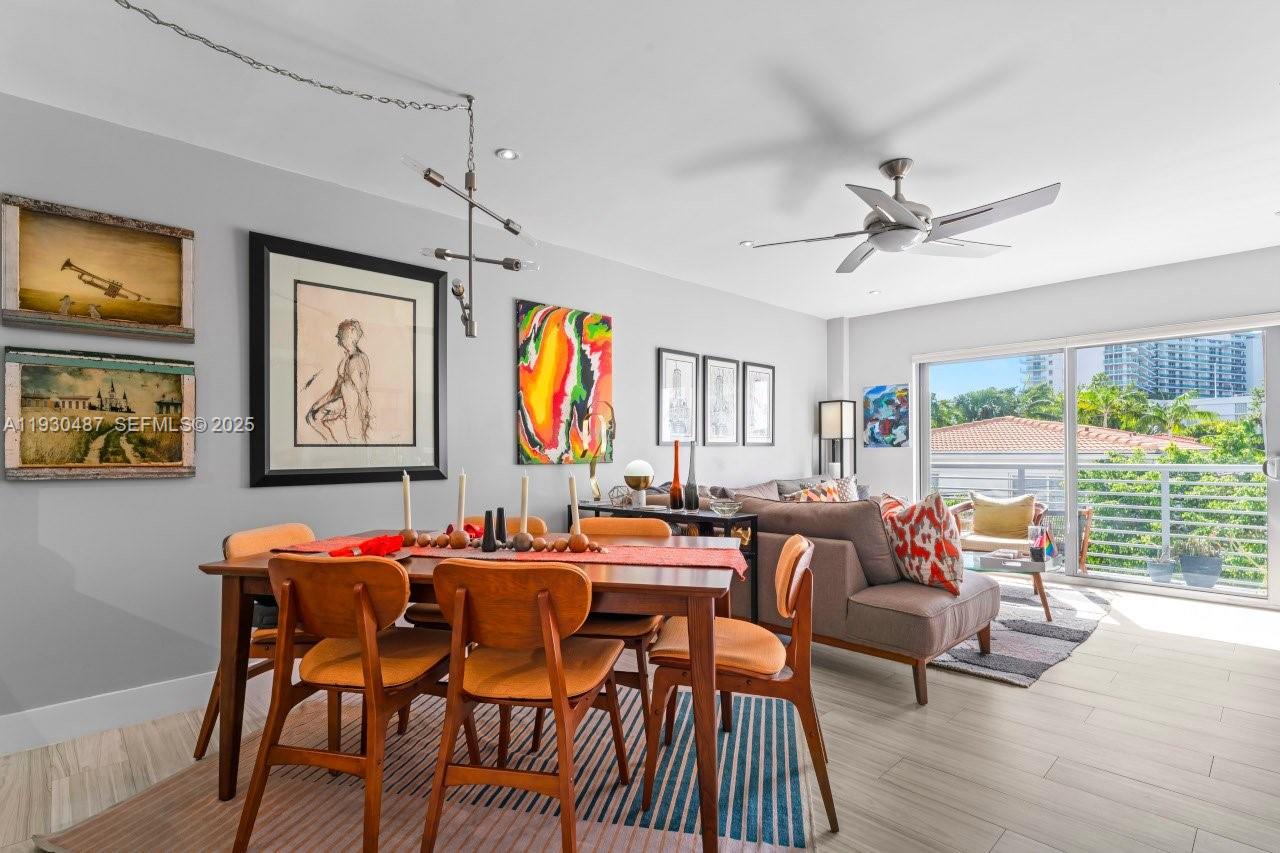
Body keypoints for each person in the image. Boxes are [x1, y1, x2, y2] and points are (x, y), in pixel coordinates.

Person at [305, 318, 372, 443]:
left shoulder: (355, 360)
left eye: (341, 334)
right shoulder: (348, 358)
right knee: (313, 417)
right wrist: (318, 404)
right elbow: (337, 387)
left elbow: (361, 390)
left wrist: (364, 414)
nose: (339, 339)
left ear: (349, 335)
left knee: (356, 439)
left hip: (353, 406)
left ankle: (335, 446)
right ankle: (332, 445)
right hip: (344, 401)